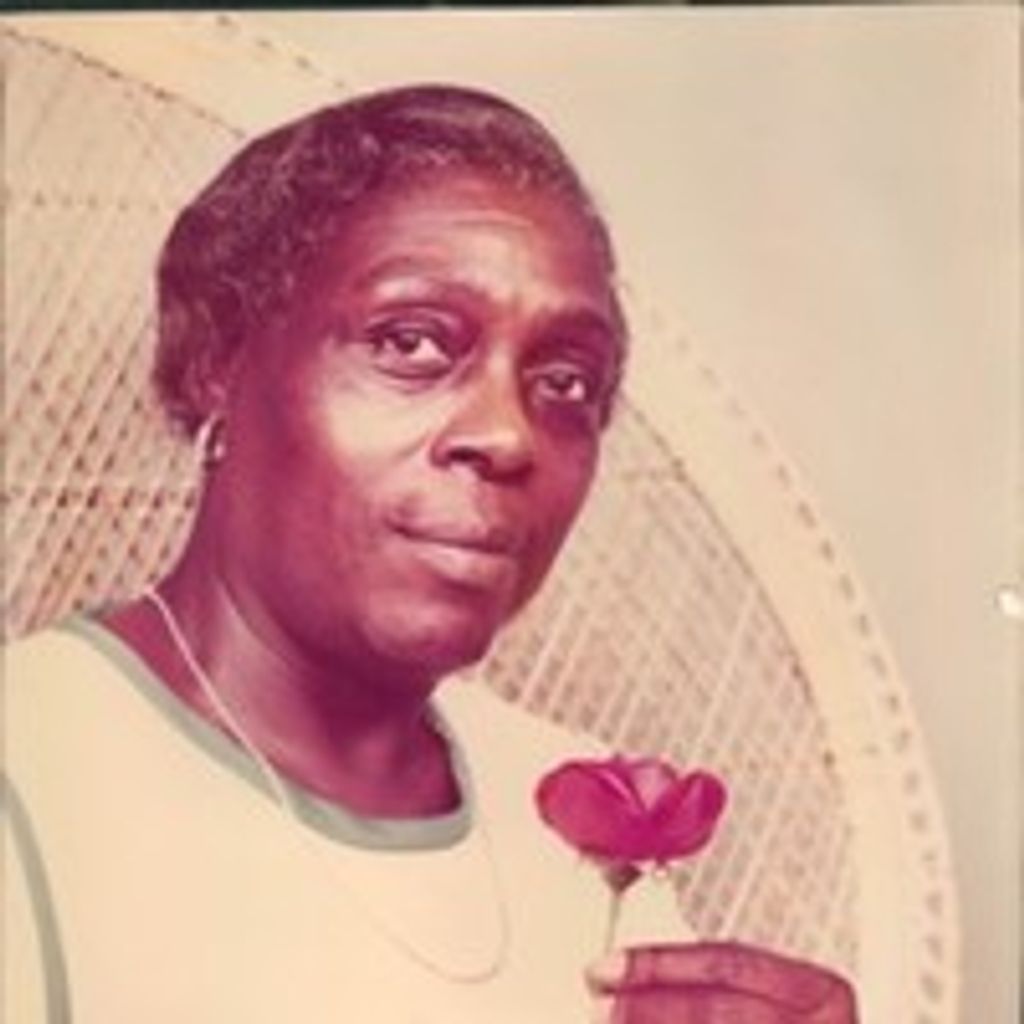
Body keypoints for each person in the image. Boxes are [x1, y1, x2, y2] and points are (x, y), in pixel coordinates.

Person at [3, 84, 857, 1023]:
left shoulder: (573, 819)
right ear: (220, 361)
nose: (508, 435)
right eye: (410, 343)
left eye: (566, 381)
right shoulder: (35, 768)